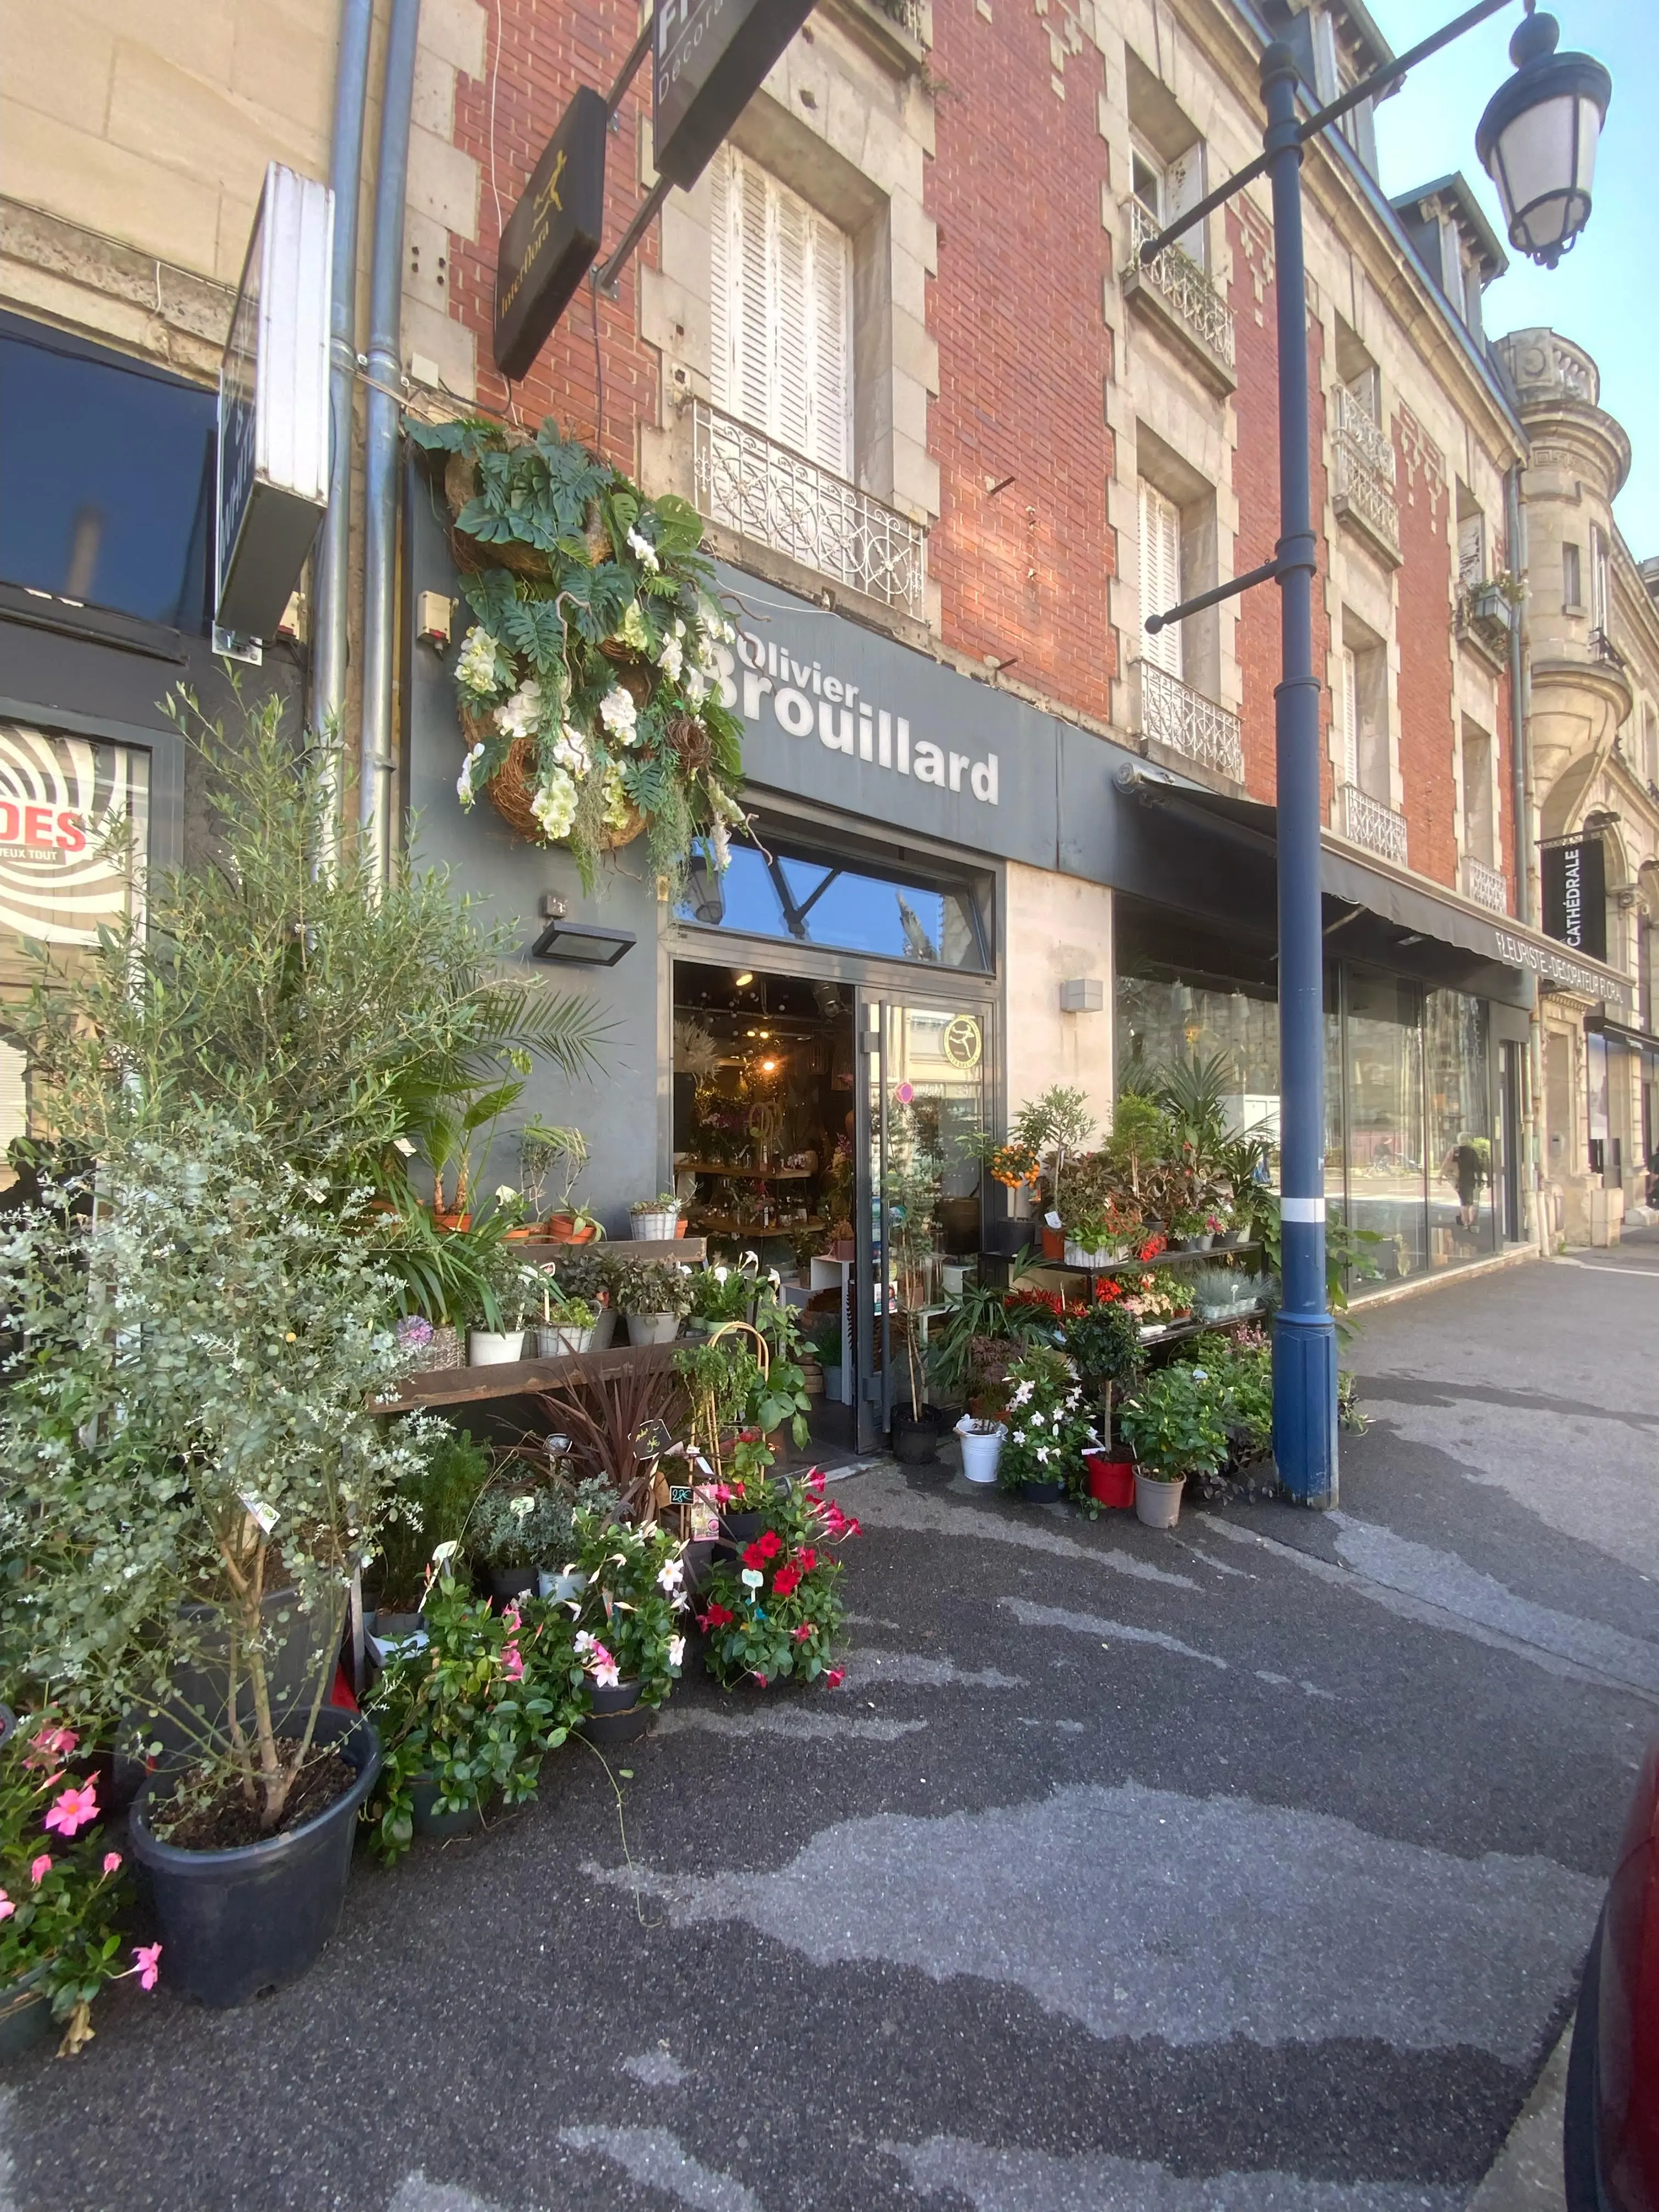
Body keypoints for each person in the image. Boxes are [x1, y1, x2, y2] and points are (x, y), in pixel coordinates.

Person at [1441, 1137, 1483, 1231]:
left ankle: (1466, 1223)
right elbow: (1478, 1167)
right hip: (1470, 1180)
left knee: (1464, 1202)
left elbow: (1448, 1162)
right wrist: (1480, 1180)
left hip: (1460, 1180)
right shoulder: (1472, 1152)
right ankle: (1471, 1222)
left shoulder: (1456, 1150)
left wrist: (1441, 1175)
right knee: (1470, 1202)